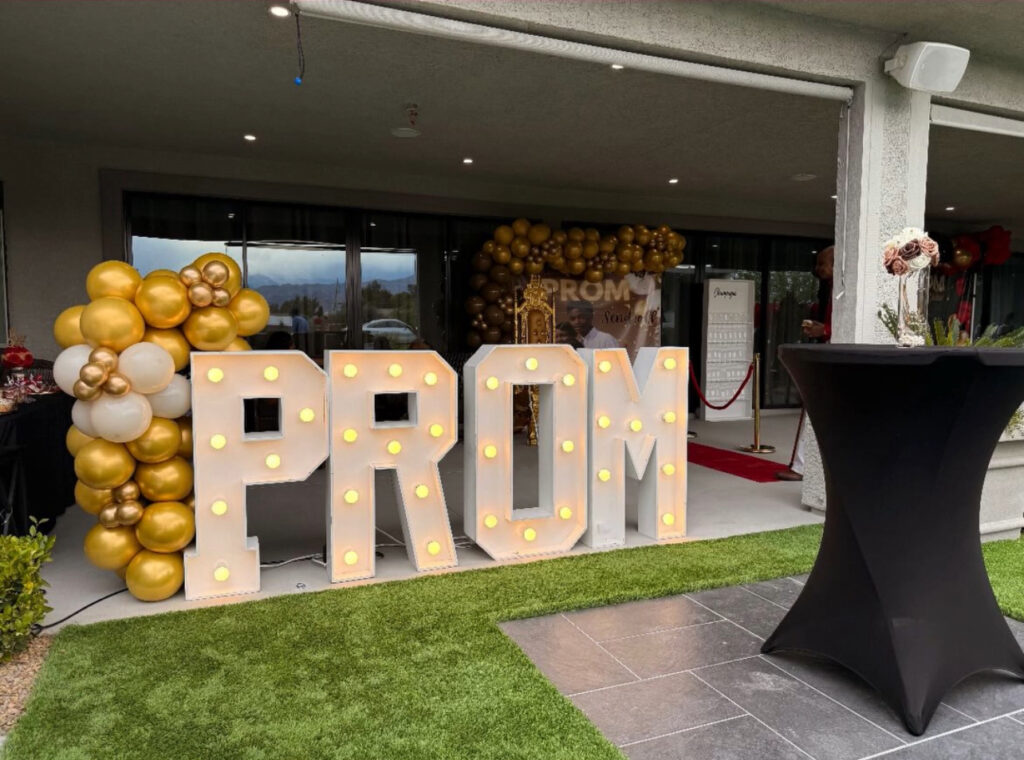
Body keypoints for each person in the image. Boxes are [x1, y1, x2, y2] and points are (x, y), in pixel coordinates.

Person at [777, 245, 834, 482]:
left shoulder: (845, 288)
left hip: (835, 357)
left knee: (814, 407)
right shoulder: (831, 290)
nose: (817, 269)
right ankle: (801, 465)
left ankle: (800, 467)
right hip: (831, 352)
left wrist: (826, 330)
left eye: (822, 264)